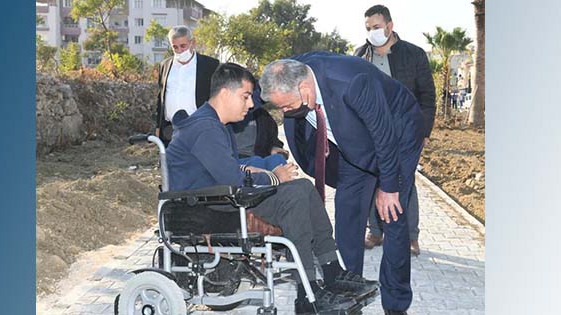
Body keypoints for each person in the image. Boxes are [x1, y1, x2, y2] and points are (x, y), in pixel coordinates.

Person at [166, 63, 378, 313]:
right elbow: (233, 179)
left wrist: (262, 169)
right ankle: (307, 295)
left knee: (304, 188)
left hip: (217, 199)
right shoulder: (205, 127)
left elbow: (230, 168)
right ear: (225, 93)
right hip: (206, 209)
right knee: (296, 195)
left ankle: (332, 271)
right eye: (245, 96)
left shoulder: (212, 124)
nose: (251, 104)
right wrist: (274, 177)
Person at [260, 52, 425, 315]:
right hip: (353, 145)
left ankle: (396, 304)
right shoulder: (290, 75)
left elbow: (384, 135)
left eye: (287, 106)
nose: (284, 113)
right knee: (348, 216)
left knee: (392, 218)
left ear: (304, 88)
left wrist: (388, 187)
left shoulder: (351, 81)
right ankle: (349, 296)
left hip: (398, 136)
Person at [354, 4, 436, 256]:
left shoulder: (414, 54)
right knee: (373, 178)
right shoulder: (360, 55)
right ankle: (376, 231)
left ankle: (410, 236)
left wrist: (423, 131)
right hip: (371, 132)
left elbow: (427, 96)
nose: (372, 32)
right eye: (368, 28)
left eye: (377, 27)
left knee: (404, 181)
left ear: (390, 26)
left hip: (405, 131)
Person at [154, 25, 219, 146]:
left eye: (183, 46)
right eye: (175, 47)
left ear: (192, 43)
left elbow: (218, 97)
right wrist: (158, 126)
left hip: (199, 127)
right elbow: (161, 97)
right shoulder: (165, 65)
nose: (179, 51)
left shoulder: (210, 65)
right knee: (170, 163)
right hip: (170, 130)